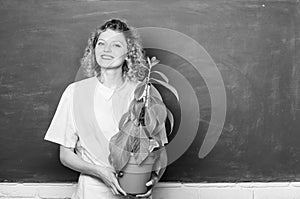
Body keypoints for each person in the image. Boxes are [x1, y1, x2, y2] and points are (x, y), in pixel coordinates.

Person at [44, 18, 168, 199]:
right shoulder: (75, 92)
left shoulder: (144, 92)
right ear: (94, 50)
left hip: (133, 192)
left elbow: (159, 150)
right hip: (93, 191)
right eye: (101, 43)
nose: (106, 49)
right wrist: (99, 171)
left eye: (116, 45)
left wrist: (154, 178)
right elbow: (65, 154)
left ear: (129, 53)